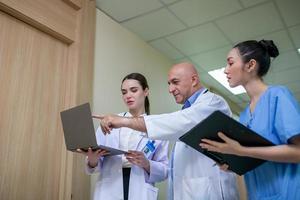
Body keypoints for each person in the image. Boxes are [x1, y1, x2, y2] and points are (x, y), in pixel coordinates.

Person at [95, 63, 239, 200]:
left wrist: (124, 122)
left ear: (194, 80)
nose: (170, 89)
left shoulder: (212, 103)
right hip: (188, 190)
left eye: (175, 82)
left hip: (208, 190)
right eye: (169, 84)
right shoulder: (185, 112)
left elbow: (179, 122)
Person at [199, 40, 300, 200]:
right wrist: (232, 162)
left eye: (230, 63)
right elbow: (256, 159)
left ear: (250, 65)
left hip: (289, 192)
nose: (226, 70)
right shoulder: (245, 115)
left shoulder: (278, 96)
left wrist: (241, 150)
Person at [79, 73, 169, 200]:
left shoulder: (157, 127)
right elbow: (94, 163)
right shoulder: (108, 122)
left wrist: (146, 163)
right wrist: (93, 161)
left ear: (146, 91)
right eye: (124, 92)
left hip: (140, 189)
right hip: (109, 188)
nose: (128, 96)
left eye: (134, 90)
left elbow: (165, 171)